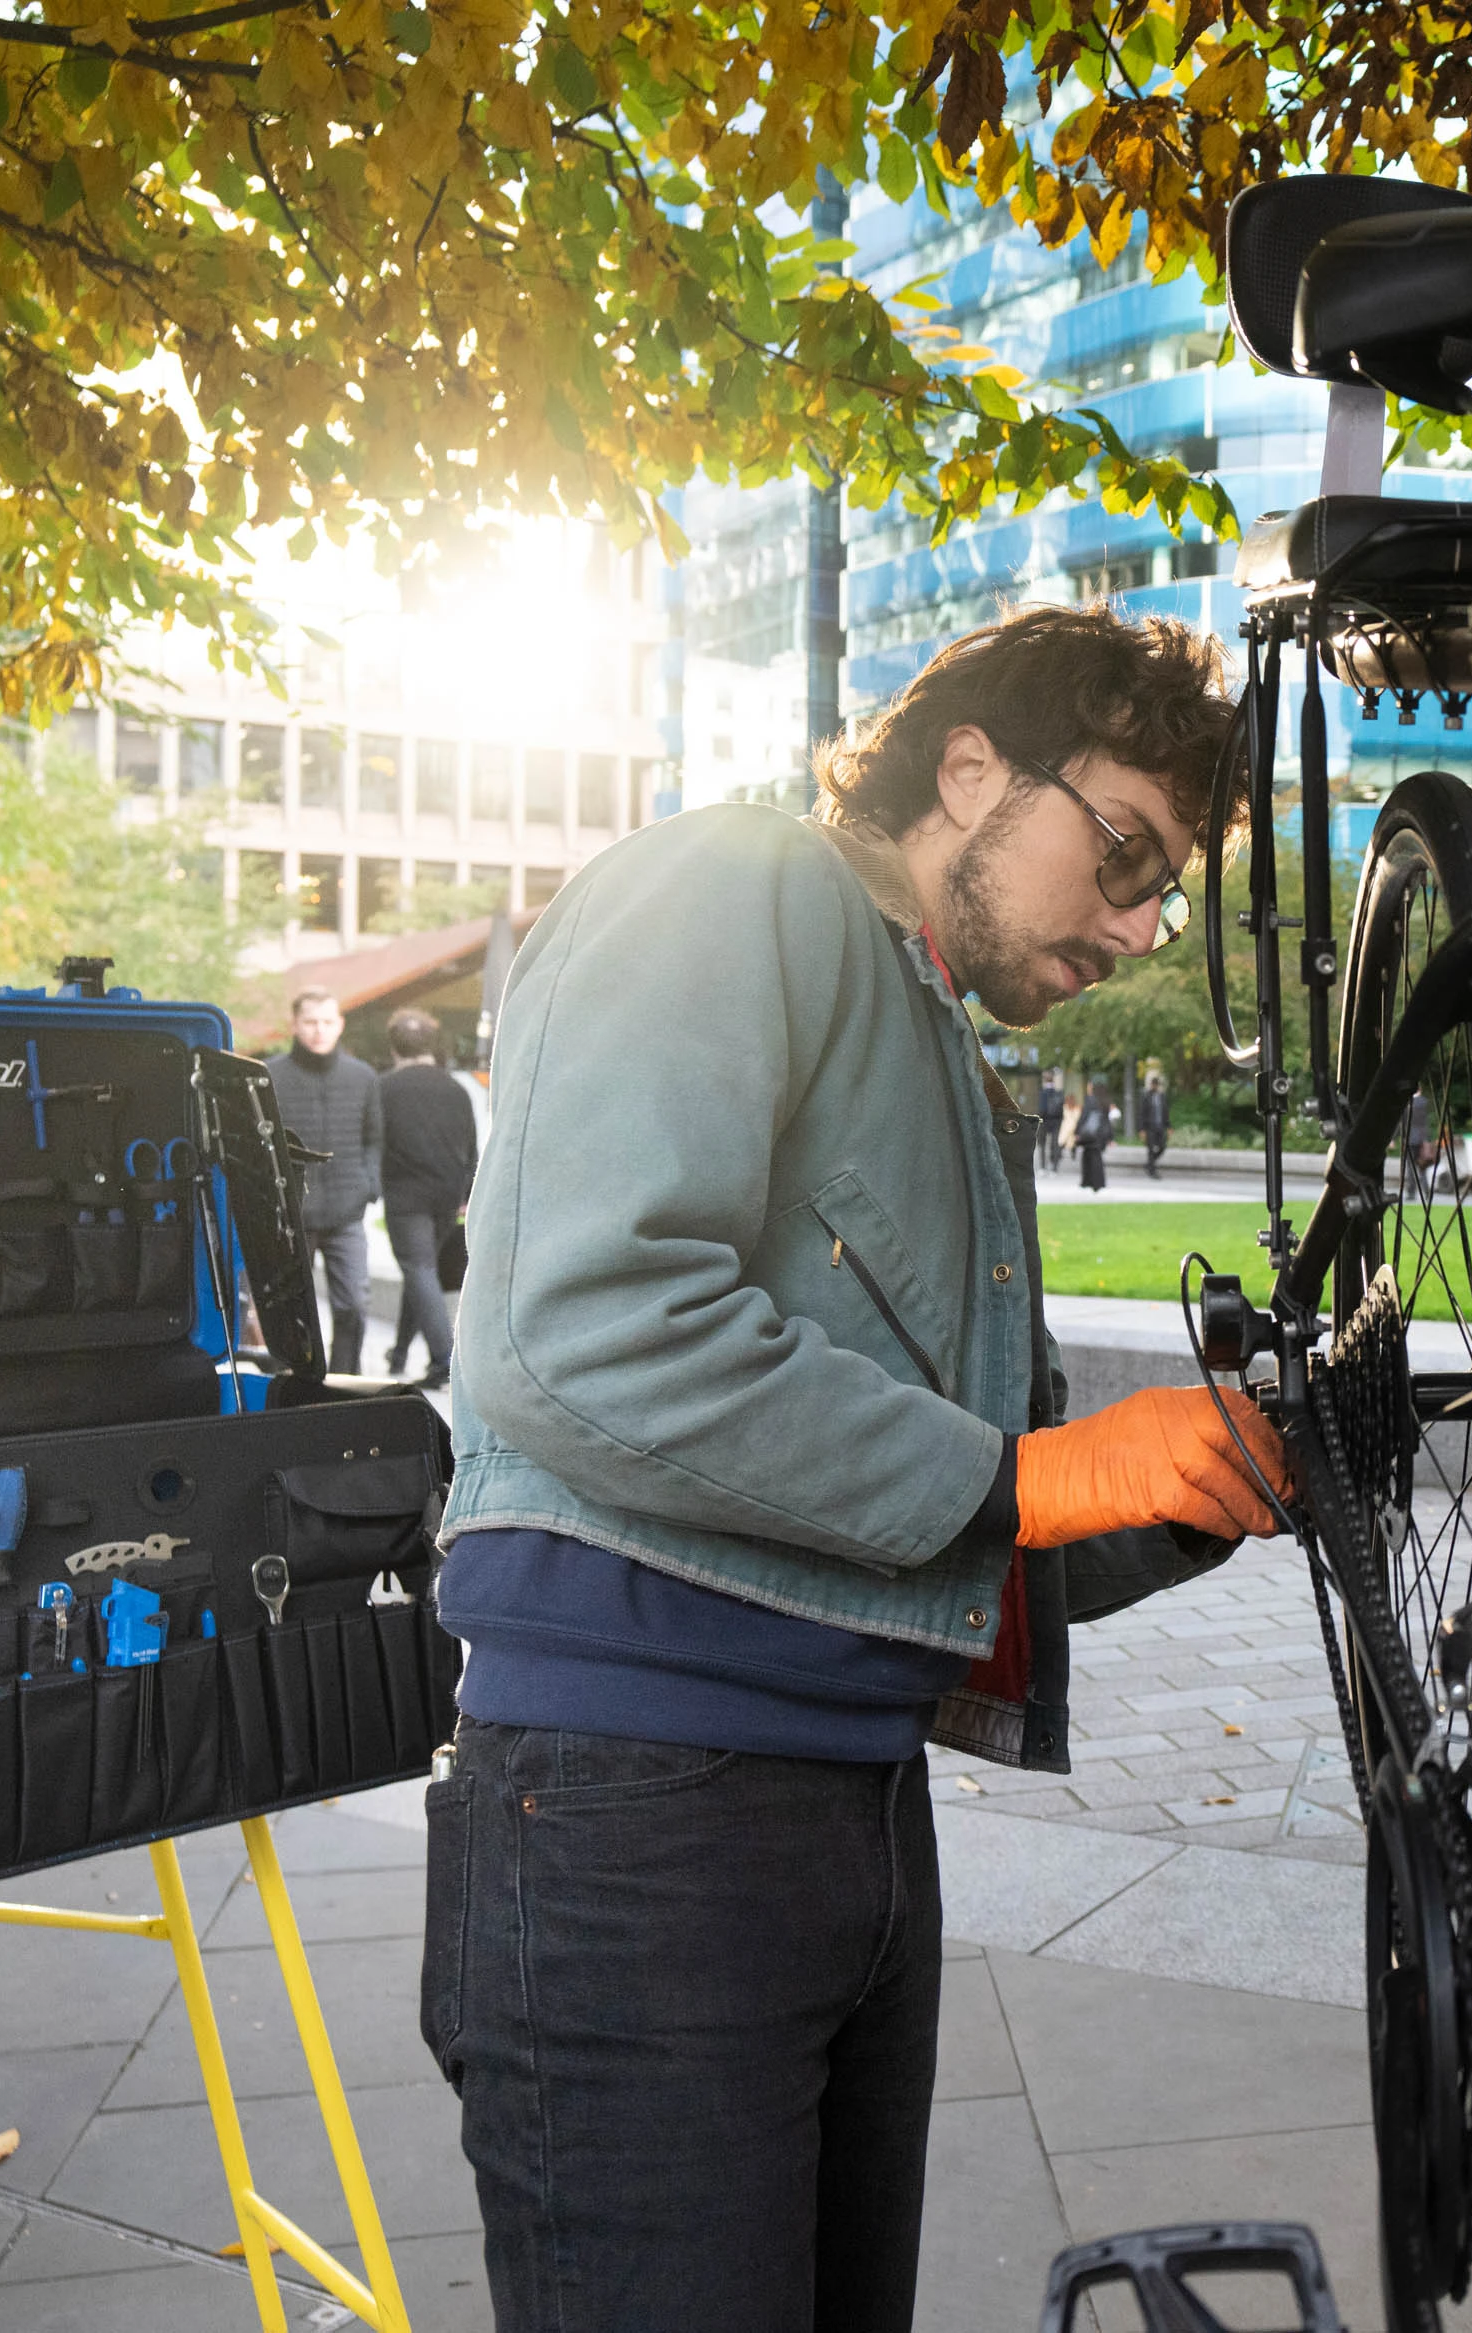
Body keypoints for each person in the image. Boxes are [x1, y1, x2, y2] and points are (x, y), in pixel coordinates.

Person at [426, 603, 1289, 2332]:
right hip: (638, 1822)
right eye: (1123, 849)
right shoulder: (742, 880)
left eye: (1164, 886)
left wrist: (1195, 1487)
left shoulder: (947, 1050)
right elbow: (587, 1328)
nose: (1134, 922)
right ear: (968, 766)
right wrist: (1043, 1478)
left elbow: (944, 1509)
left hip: (844, 1803)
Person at [268, 987, 384, 1374]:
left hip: (345, 1211)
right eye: (311, 1022)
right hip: (292, 1213)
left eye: (327, 1022)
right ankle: (299, 1378)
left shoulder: (362, 1076)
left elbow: (374, 1138)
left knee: (353, 1303)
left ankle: (344, 1381)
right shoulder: (270, 1076)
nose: (319, 1030)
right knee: (292, 1308)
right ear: (295, 1025)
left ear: (340, 1026)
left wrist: (368, 1185)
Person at [379, 1010, 479, 1388]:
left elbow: (377, 1139)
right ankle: (400, 1353)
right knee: (420, 1270)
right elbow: (471, 1145)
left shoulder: (384, 1088)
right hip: (448, 1193)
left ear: (393, 1046)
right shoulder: (456, 1089)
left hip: (406, 1192)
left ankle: (443, 1361)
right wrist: (466, 1191)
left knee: (418, 1269)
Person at [1076, 1076, 1117, 1191]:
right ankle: (1098, 1182)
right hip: (1100, 1135)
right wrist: (1110, 1136)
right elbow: (1107, 1120)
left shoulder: (1090, 1100)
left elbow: (1084, 1116)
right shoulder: (1104, 1100)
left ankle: (1087, 1181)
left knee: (1088, 1157)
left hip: (1090, 1134)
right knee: (1097, 1158)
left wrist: (1077, 1131)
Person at [1139, 1065, 1171, 1179]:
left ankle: (1149, 1164)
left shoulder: (1162, 1096)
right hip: (1149, 1127)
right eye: (1153, 1084)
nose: (1154, 1086)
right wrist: (1142, 1129)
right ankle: (1152, 1171)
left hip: (1160, 1127)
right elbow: (1142, 1113)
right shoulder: (1146, 1097)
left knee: (1162, 1147)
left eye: (1156, 1084)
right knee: (1151, 1148)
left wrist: (1169, 1126)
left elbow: (1165, 1112)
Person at [1037, 1066, 1067, 1171]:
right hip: (1056, 1121)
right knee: (1054, 1143)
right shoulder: (1058, 1093)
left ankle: (1043, 1167)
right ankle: (1054, 1167)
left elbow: (1041, 1108)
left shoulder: (1043, 1093)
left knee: (1042, 1144)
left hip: (1044, 1120)